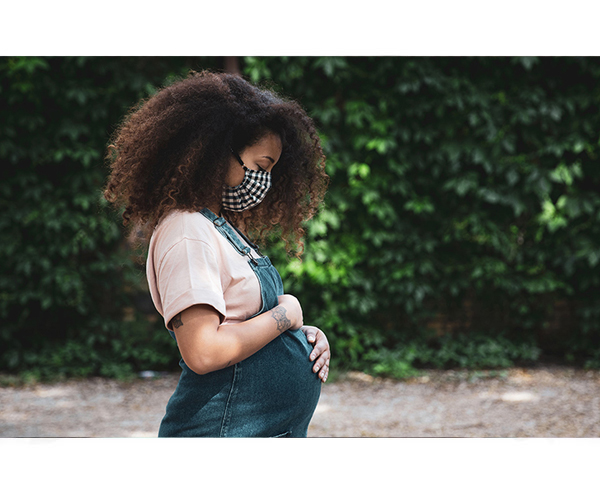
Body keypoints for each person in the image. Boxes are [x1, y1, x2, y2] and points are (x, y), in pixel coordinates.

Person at [104, 69, 331, 437]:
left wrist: (301, 337)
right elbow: (204, 351)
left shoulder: (218, 227)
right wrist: (285, 314)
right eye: (260, 167)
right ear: (215, 152)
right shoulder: (187, 231)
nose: (265, 183)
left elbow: (241, 322)